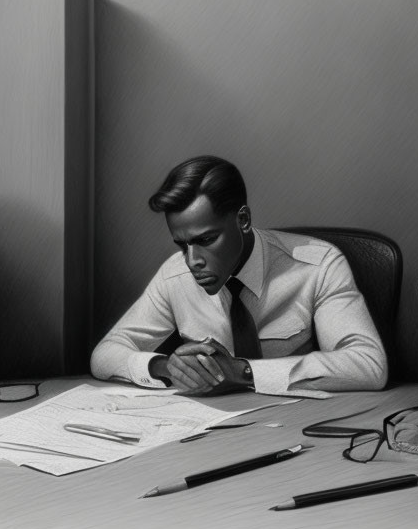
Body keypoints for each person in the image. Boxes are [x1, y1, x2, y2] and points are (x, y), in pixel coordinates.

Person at [90, 155, 386, 396]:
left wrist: (244, 372)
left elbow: (369, 365)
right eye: (182, 245)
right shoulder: (174, 275)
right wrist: (167, 367)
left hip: (299, 427)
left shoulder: (318, 265)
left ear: (243, 220)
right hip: (213, 431)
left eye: (206, 240)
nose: (193, 261)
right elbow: (104, 354)